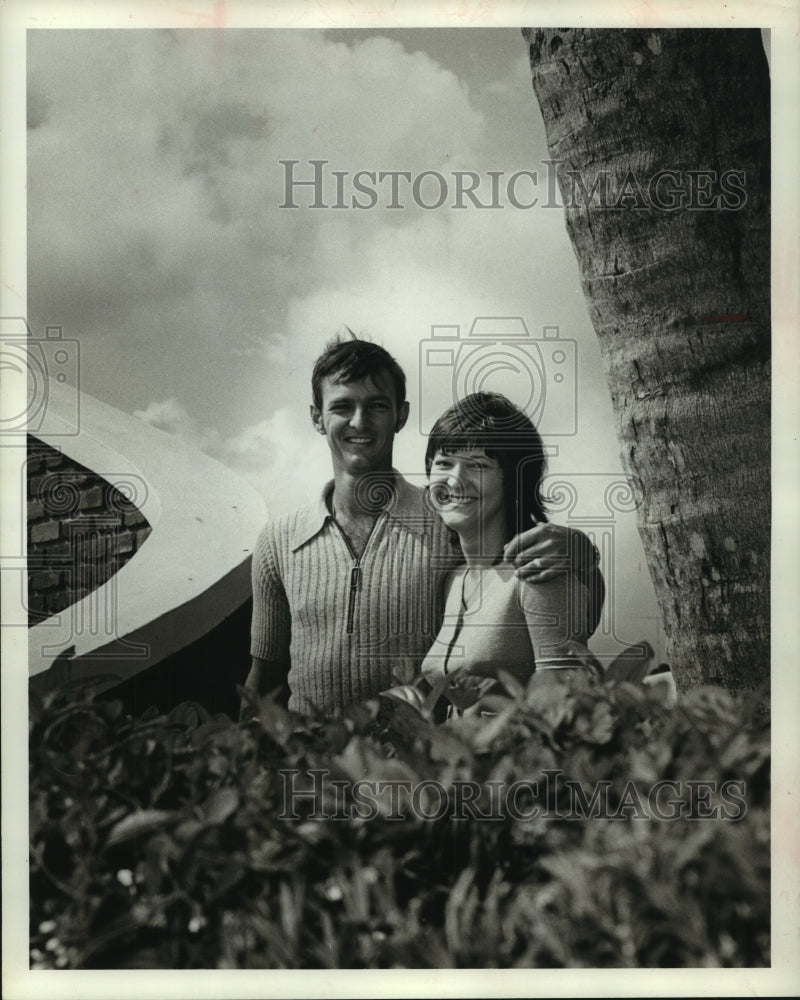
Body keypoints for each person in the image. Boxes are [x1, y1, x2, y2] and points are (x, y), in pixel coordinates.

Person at [243, 335, 603, 717]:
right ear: (317, 417)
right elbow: (265, 678)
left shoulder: (450, 522)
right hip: (309, 762)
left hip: (421, 766)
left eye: (377, 405)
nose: (359, 421)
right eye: (342, 406)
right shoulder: (279, 541)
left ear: (401, 414)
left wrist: (582, 553)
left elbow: (569, 622)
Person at [421, 392, 596, 689]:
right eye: (444, 463)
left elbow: (568, 702)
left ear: (514, 479)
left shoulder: (537, 571)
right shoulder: (452, 581)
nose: (455, 480)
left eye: (478, 465)